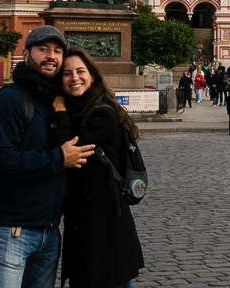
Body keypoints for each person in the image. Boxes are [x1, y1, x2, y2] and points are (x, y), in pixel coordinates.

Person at [0, 25, 95, 288]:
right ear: (26, 54)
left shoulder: (55, 101)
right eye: (43, 49)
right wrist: (58, 159)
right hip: (9, 230)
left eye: (57, 50)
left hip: (49, 233)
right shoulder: (10, 100)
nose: (51, 56)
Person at [49, 48, 145, 288]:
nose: (74, 78)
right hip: (84, 222)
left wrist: (59, 111)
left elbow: (68, 149)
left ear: (92, 75)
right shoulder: (80, 110)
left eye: (80, 71)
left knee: (107, 279)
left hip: (105, 225)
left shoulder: (102, 114)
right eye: (67, 73)